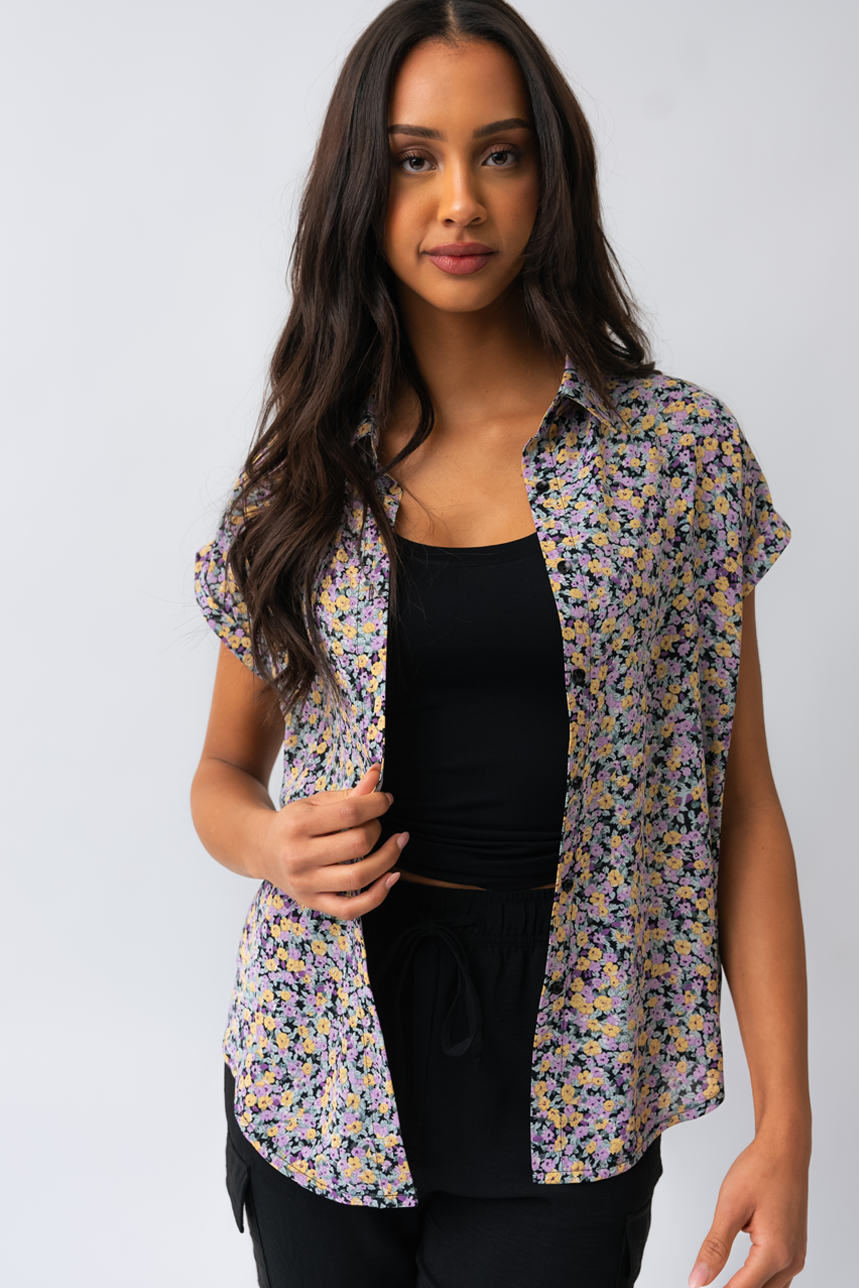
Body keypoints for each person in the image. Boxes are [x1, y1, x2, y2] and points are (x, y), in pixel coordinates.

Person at [190, 2, 810, 1285]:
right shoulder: (303, 470)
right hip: (322, 1062)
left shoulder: (674, 458)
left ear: (550, 176)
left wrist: (786, 1126)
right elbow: (221, 774)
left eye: (501, 153)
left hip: (577, 1062)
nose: (460, 200)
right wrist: (271, 844)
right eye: (414, 158)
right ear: (363, 187)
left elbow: (740, 805)